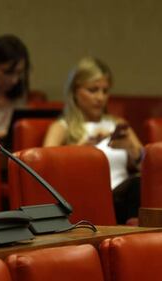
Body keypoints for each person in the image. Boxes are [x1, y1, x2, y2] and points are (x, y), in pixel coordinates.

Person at [43, 57, 143, 224]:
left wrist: (131, 148)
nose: (100, 97)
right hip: (84, 198)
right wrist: (82, 151)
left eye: (105, 91)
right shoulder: (62, 126)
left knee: (139, 184)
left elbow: (151, 169)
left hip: (123, 195)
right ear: (75, 91)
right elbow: (44, 170)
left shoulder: (117, 124)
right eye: (93, 90)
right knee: (136, 186)